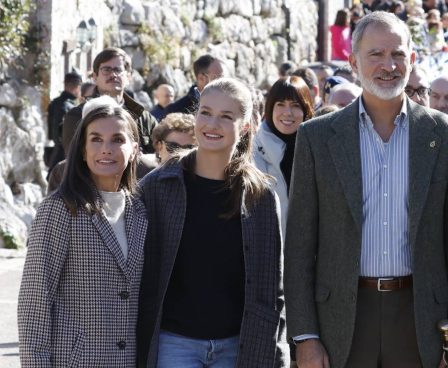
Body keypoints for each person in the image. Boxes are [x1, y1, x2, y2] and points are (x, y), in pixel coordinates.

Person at [285, 11, 448, 368]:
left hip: (422, 320)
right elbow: (299, 245)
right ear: (353, 62)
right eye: (376, 54)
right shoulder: (317, 137)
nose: (388, 65)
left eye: (398, 54)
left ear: (413, 59)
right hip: (340, 320)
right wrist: (305, 335)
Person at [137, 78, 289, 368]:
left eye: (226, 116)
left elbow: (273, 288)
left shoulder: (261, 197)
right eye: (205, 112)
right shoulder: (158, 186)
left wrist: (278, 355)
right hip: (174, 342)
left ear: (245, 127)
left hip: (238, 344)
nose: (212, 124)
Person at [18, 96, 147, 366]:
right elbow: (35, 302)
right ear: (83, 149)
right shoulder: (60, 209)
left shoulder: (141, 212)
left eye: (117, 140)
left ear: (134, 149)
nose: (106, 149)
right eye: (96, 139)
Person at [62, 47, 158, 155]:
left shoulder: (143, 118)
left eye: (118, 70)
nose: (113, 75)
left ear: (129, 76)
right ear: (95, 77)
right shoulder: (78, 116)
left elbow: (161, 156)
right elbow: (73, 162)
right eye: (106, 70)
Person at [254, 76, 314, 231]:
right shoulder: (251, 152)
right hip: (267, 248)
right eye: (280, 104)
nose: (287, 113)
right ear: (270, 108)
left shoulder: (319, 150)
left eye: (295, 105)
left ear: (306, 109)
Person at [46, 72, 82, 170]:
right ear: (77, 87)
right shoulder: (71, 107)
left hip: (57, 152)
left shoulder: (54, 103)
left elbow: (50, 133)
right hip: (66, 153)